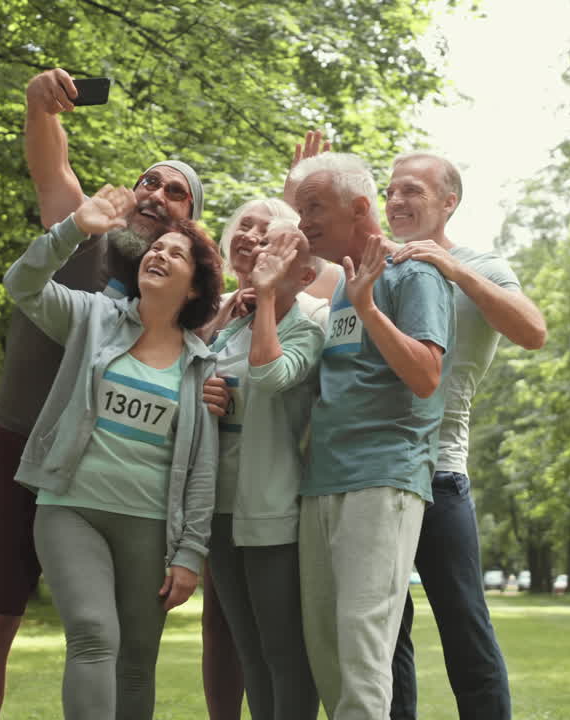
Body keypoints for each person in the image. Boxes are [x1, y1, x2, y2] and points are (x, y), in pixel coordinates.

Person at [0, 68, 205, 720]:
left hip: (109, 478)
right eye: (149, 180)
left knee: (115, 641)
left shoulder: (186, 306)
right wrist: (41, 105)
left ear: (189, 221)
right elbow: (48, 160)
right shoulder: (86, 229)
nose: (157, 193)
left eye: (176, 192)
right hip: (21, 442)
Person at [5, 185, 223, 719]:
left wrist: (191, 552)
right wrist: (74, 228)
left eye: (177, 254)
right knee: (93, 635)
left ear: (194, 289)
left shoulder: (203, 367)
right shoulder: (94, 317)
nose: (159, 254)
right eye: (157, 249)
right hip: (70, 509)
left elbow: (201, 469)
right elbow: (22, 284)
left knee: (137, 660)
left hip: (150, 526)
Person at [289, 152, 457, 719]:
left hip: (382, 480)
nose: (302, 220)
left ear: (360, 209)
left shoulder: (413, 273)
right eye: (298, 208)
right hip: (321, 483)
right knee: (328, 659)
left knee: (363, 662)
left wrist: (368, 305)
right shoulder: (341, 285)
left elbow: (426, 375)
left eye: (314, 208)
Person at [385, 150, 546, 720]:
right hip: (372, 474)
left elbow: (532, 331)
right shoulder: (377, 265)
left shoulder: (483, 264)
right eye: (391, 191)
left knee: (464, 628)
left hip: (440, 475)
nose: (397, 201)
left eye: (413, 191)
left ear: (448, 202)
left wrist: (454, 270)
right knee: (383, 637)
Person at [205, 220, 324, 720]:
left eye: (278, 255)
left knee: (284, 655)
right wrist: (203, 393)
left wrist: (270, 299)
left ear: (305, 275)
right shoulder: (232, 324)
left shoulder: (308, 329)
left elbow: (270, 375)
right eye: (260, 253)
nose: (262, 257)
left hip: (271, 512)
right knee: (249, 652)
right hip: (220, 510)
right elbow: (193, 378)